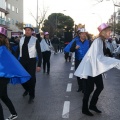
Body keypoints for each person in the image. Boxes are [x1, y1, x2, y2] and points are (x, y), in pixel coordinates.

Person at [74, 23, 120, 116]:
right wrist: (114, 62)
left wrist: (111, 59)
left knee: (100, 87)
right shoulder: (98, 41)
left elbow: (101, 56)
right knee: (89, 89)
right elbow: (98, 57)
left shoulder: (103, 41)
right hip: (91, 69)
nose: (110, 32)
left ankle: (92, 105)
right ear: (103, 32)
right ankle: (84, 109)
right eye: (108, 31)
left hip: (96, 68)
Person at [0, 26, 31, 120]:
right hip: (2, 75)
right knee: (3, 96)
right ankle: (14, 113)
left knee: (2, 95)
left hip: (3, 76)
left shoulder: (3, 50)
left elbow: (7, 64)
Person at [17, 24, 42, 104]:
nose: (27, 31)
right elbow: (17, 51)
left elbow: (39, 52)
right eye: (26, 30)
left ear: (32, 31)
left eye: (29, 30)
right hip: (22, 61)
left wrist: (39, 65)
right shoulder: (21, 39)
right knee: (21, 77)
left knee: (32, 79)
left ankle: (32, 95)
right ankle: (27, 89)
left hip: (31, 61)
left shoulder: (35, 40)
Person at [70, 28, 90, 92]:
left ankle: (85, 88)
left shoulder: (89, 42)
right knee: (79, 74)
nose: (84, 35)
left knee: (85, 74)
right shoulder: (76, 41)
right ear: (79, 35)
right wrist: (75, 48)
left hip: (86, 61)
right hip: (78, 60)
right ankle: (80, 86)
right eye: (82, 34)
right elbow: (71, 49)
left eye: (85, 34)